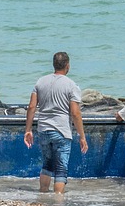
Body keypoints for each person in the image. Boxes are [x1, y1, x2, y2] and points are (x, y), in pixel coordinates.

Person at [23, 51, 88, 194]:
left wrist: (28, 130)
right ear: (67, 65)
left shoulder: (40, 82)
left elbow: (32, 107)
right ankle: (58, 200)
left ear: (53, 64)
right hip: (62, 131)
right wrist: (82, 136)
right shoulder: (71, 85)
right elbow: (75, 113)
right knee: (61, 169)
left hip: (43, 130)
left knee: (47, 164)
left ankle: (43, 194)